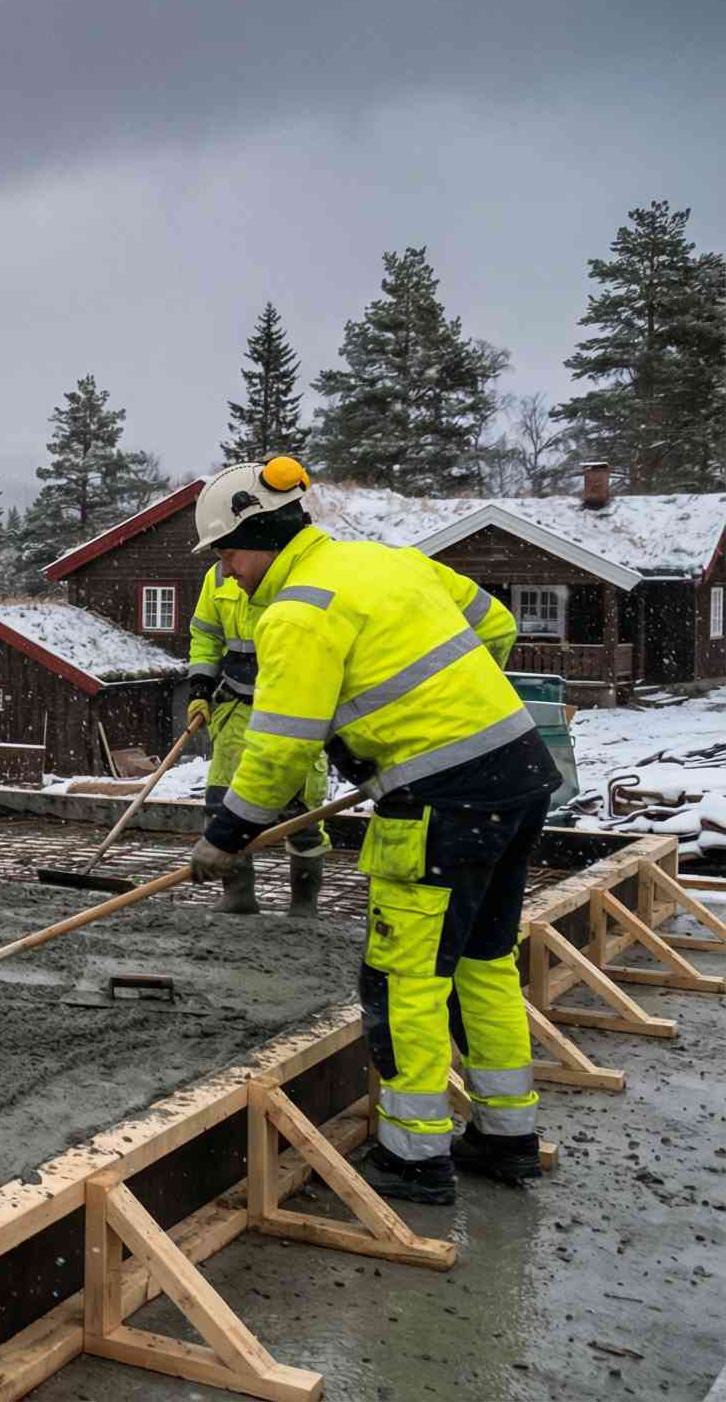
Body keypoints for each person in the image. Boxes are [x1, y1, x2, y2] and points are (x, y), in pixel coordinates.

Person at [186, 456, 550, 1205]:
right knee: (484, 960)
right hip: (517, 776)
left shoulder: (296, 613)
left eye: (225, 554)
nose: (225, 575)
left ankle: (414, 1161)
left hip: (444, 807)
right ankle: (507, 1137)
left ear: (258, 537)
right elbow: (499, 626)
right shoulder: (388, 564)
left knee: (403, 979)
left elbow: (280, 750)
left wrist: (224, 836)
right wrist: (447, 713)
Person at [185, 510, 330, 916]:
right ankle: (238, 895)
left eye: (231, 555)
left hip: (295, 713)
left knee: (301, 818)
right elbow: (205, 635)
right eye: (220, 557)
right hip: (236, 706)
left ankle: (304, 904)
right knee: (222, 806)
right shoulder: (217, 578)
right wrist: (199, 687)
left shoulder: (302, 579)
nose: (227, 569)